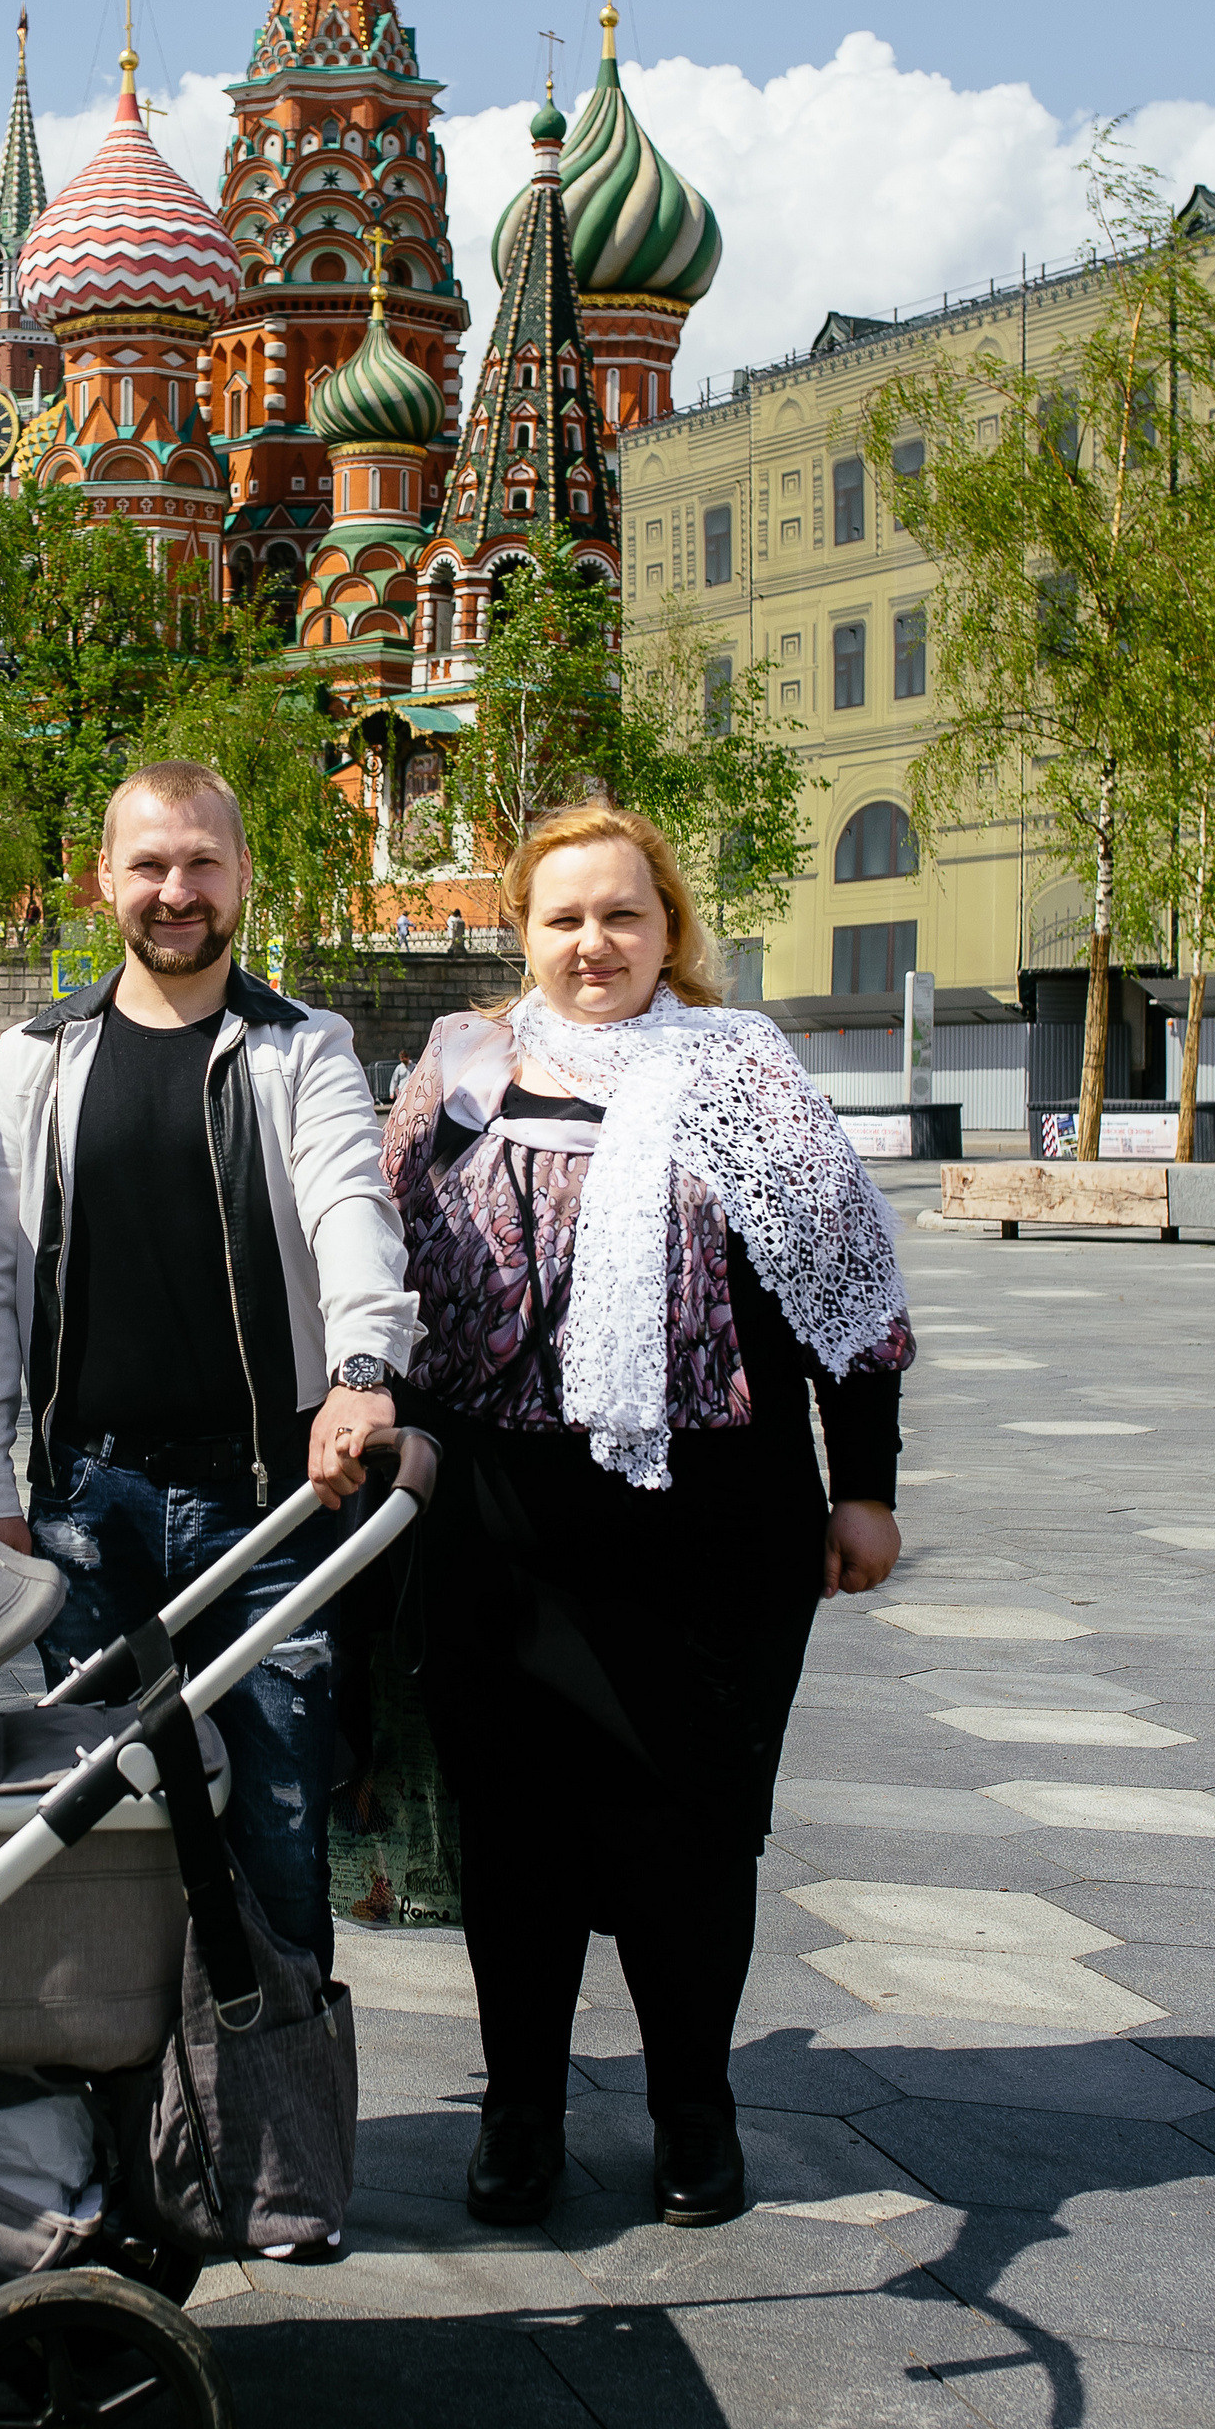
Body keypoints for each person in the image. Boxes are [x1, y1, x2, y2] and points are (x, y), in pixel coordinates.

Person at [383, 802, 913, 2235]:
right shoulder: (458, 1076)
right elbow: (383, 1278)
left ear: (670, 926)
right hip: (504, 1524)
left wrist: (863, 1483)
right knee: (516, 1838)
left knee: (690, 1834)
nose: (593, 943)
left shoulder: (744, 1074)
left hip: (712, 1530)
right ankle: (520, 2114)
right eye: (563, 918)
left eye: (622, 914)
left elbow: (848, 1297)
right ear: (522, 935)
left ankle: (696, 2111)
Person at [0, 758, 418, 1984]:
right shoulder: (36, 1060)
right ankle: (117, 2130)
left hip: (268, 1508)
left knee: (275, 1836)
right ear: (103, 881)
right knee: (94, 1835)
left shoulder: (299, 1049)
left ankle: (279, 2145)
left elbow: (352, 1211)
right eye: (149, 863)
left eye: (203, 861)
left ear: (243, 876)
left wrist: (366, 1367)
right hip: (87, 1509)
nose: (176, 889)